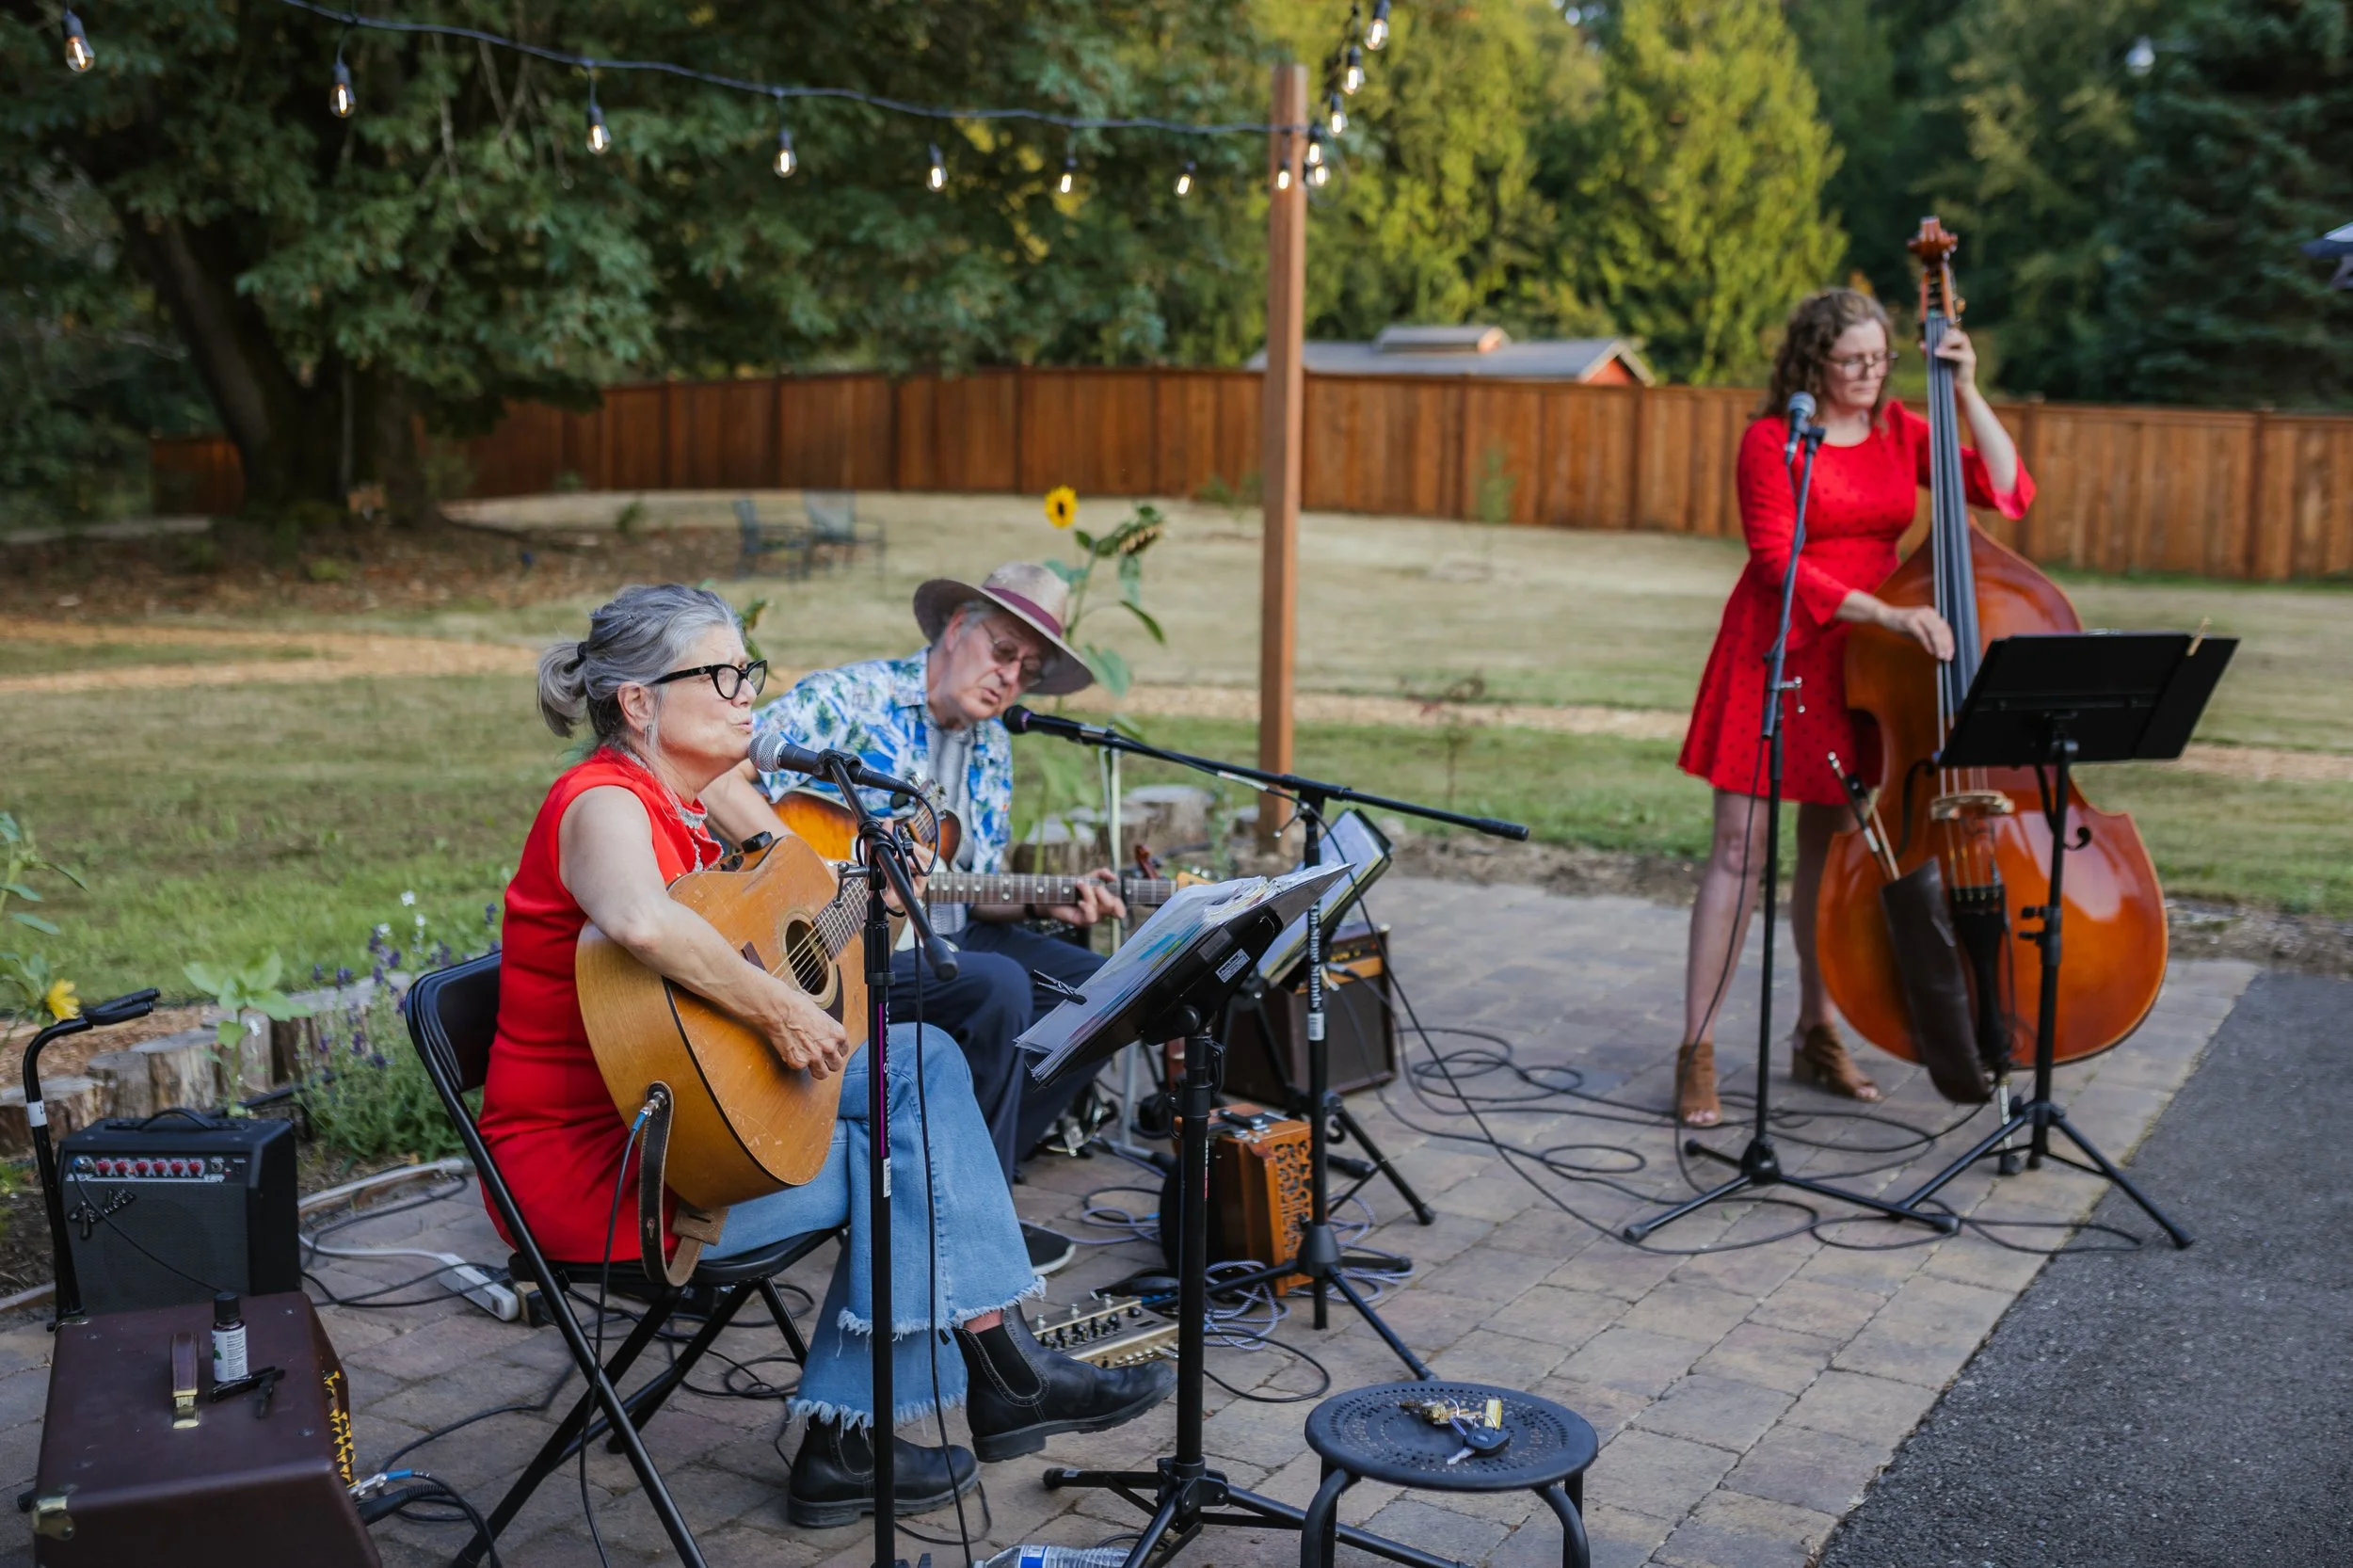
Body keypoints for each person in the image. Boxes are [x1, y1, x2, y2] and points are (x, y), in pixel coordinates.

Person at [477, 584, 1172, 1528]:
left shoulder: (701, 788)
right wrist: (775, 1007)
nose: (748, 696)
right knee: (901, 1160)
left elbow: (800, 887)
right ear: (638, 702)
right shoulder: (600, 801)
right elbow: (640, 920)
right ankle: (948, 1392)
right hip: (609, 1177)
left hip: (690, 1115)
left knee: (924, 1065)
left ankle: (942, 1399)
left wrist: (865, 892)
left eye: (748, 672)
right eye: (722, 677)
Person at [1672, 287, 2034, 1127]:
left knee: (1832, 849)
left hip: (1866, 667)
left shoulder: (1902, 430)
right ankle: (1697, 1049)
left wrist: (1967, 388)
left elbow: (2006, 489)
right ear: (1814, 362)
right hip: (1780, 646)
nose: (1870, 374)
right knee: (1739, 848)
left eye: (1880, 359)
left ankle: (1817, 1032)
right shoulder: (1774, 440)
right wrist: (1889, 614)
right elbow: (1775, 560)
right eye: (1852, 361)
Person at [710, 562, 1125, 1276]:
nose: (1009, 677)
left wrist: (1036, 900)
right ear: (957, 627)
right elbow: (719, 776)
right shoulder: (853, 696)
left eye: (1027, 670)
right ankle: (969, 1224)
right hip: (840, 940)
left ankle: (967, 1181)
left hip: (938, 928)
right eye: (1002, 651)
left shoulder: (994, 745)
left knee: (1105, 992)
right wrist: (808, 873)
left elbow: (958, 885)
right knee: (997, 987)